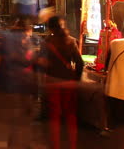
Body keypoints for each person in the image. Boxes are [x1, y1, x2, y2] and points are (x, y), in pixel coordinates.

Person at [40, 15, 83, 149]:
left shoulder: (46, 42)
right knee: (70, 116)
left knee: (54, 118)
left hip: (52, 82)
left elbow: (41, 64)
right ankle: (72, 145)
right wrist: (76, 78)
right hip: (69, 82)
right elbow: (79, 63)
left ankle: (55, 145)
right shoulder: (71, 41)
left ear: (51, 28)